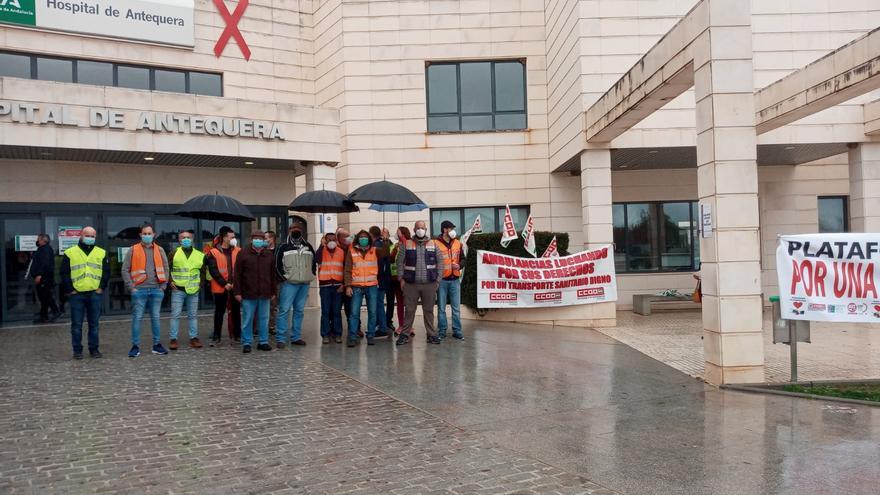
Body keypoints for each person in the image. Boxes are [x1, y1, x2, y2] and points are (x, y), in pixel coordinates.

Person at [60, 226, 108, 359]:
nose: (90, 238)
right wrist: (70, 290)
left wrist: (101, 288)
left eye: (93, 236)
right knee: (76, 325)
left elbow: (106, 272)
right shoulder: (70, 252)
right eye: (87, 235)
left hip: (94, 294)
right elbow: (64, 273)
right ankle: (77, 351)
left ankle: (94, 350)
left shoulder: (101, 252)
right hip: (77, 295)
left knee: (94, 324)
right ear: (81, 235)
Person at [123, 223, 169, 358]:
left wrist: (163, 287)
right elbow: (125, 269)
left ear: (154, 234)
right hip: (139, 291)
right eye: (145, 233)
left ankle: (157, 345)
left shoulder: (160, 250)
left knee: (156, 318)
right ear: (140, 235)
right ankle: (135, 346)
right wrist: (131, 288)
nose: (147, 236)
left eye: (149, 233)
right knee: (137, 319)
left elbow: (166, 269)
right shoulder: (133, 249)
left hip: (156, 290)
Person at [396, 220, 440, 346]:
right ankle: (404, 335)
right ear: (414, 229)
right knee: (409, 310)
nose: (420, 230)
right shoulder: (407, 244)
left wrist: (438, 279)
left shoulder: (433, 244)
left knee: (429, 311)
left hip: (429, 283)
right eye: (418, 228)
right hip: (411, 284)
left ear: (426, 229)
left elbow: (440, 263)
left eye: (423, 227)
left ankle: (431, 335)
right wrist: (401, 278)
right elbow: (400, 261)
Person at [274, 220, 316, 348]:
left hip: (304, 284)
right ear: (289, 230)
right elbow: (276, 265)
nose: (296, 230)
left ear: (302, 230)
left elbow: (313, 263)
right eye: (293, 228)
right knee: (284, 310)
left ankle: (296, 337)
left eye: (298, 228)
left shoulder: (308, 246)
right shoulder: (283, 246)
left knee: (299, 311)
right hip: (289, 284)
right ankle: (281, 338)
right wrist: (284, 279)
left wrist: (311, 275)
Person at [234, 230, 276, 353]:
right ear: (251, 240)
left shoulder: (268, 254)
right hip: (248, 293)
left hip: (265, 292)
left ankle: (263, 342)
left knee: (264, 318)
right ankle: (247, 342)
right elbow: (237, 274)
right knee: (248, 319)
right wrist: (237, 292)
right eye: (256, 239)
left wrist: (273, 291)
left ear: (263, 241)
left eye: (260, 239)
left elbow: (272, 275)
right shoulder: (243, 254)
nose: (258, 241)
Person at [344, 230, 383, 347]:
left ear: (369, 239)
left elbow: (386, 253)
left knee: (372, 312)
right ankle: (352, 336)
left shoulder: (375, 250)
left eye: (365, 237)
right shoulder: (352, 251)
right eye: (361, 237)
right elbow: (347, 270)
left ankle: (370, 335)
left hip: (371, 286)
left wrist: (384, 240)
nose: (363, 239)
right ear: (357, 239)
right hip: (356, 286)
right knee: (354, 313)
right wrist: (348, 286)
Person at [168, 230, 205, 350]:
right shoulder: (173, 253)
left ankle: (194, 338)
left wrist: (201, 285)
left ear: (192, 239)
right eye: (183, 237)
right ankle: (173, 339)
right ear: (179, 240)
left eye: (188, 237)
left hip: (193, 290)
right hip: (178, 290)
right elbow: (166, 268)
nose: (186, 239)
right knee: (175, 315)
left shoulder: (200, 255)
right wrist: (170, 281)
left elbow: (203, 271)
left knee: (193, 315)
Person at [206, 226, 241, 346]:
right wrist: (224, 284)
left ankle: (237, 335)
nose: (234, 239)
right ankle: (217, 336)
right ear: (225, 237)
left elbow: (240, 268)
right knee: (219, 312)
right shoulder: (213, 252)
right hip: (220, 288)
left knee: (236, 312)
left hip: (235, 286)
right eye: (232, 237)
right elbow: (213, 270)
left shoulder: (238, 250)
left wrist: (234, 283)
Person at [436, 220, 464, 340]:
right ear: (444, 230)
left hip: (455, 280)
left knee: (456, 308)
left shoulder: (458, 243)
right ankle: (442, 331)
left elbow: (463, 258)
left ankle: (457, 331)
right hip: (442, 280)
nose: (452, 231)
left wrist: (460, 265)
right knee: (441, 308)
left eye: (452, 228)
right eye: (450, 228)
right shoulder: (435, 243)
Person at [315, 232, 344, 344]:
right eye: (329, 239)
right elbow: (316, 259)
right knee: (325, 312)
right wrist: (321, 246)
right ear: (325, 241)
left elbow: (345, 268)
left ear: (336, 240)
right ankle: (325, 334)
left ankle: (338, 334)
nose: (331, 241)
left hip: (338, 286)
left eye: (333, 239)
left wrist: (343, 284)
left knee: (337, 312)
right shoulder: (321, 251)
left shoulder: (341, 252)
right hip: (325, 286)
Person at [30, 233, 60, 323]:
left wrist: (39, 275)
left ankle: (55, 311)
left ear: (44, 240)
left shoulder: (46, 249)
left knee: (46, 296)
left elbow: (45, 264)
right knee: (43, 297)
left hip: (44, 278)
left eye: (38, 239)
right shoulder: (42, 249)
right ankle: (44, 316)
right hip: (43, 277)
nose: (37, 241)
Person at [390, 227, 412, 338]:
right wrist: (395, 249)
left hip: (408, 278)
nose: (396, 233)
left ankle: (409, 326)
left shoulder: (409, 243)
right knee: (400, 304)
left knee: (409, 304)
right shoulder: (395, 245)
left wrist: (402, 238)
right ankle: (401, 325)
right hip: (396, 278)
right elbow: (391, 259)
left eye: (398, 232)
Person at [369, 225, 392, 339]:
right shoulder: (384, 244)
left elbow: (378, 264)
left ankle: (382, 328)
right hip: (384, 279)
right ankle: (380, 325)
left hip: (379, 279)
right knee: (379, 303)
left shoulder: (376, 246)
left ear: (371, 234)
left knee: (378, 304)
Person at [265, 230, 278, 336]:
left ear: (272, 239)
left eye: (266, 238)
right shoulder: (263, 251)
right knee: (265, 305)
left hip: (276, 281)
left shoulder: (278, 250)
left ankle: (272, 325)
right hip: (265, 280)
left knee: (274, 305)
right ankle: (264, 325)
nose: (265, 240)